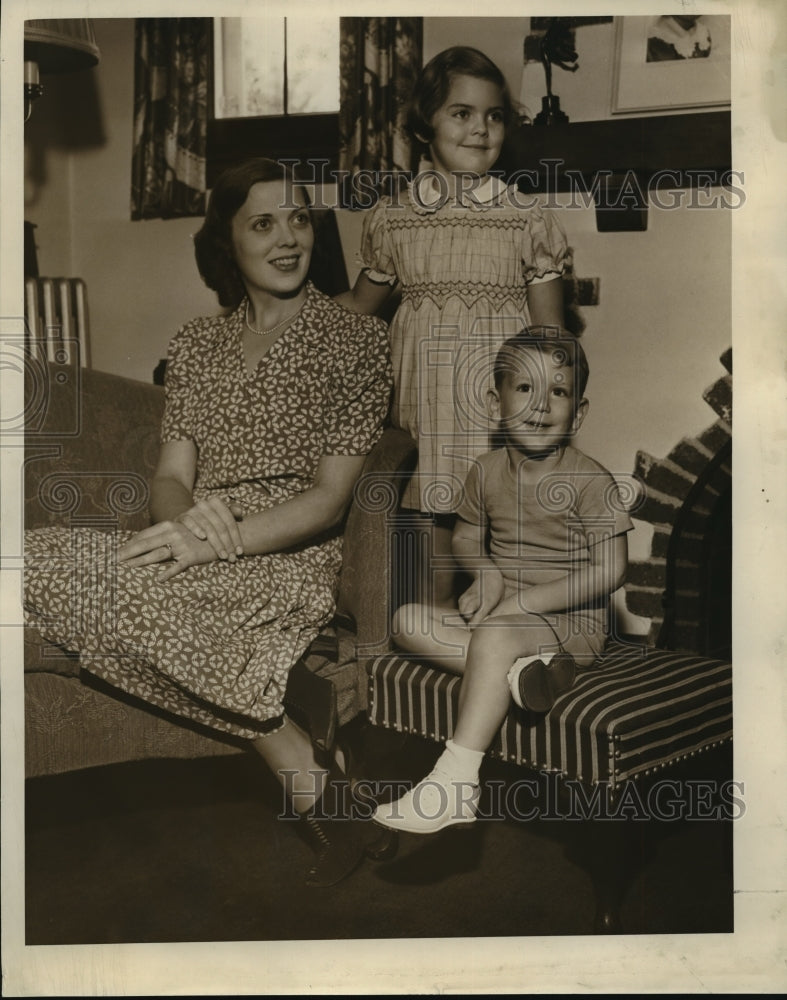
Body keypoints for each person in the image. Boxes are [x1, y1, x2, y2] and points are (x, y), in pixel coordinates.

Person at [24, 158, 393, 886]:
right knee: (28, 558)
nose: (287, 237)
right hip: (195, 536)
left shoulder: (356, 340)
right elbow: (170, 477)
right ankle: (288, 744)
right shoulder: (196, 343)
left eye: (299, 218)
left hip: (286, 553)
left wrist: (222, 542)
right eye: (262, 223)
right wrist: (187, 531)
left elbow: (328, 499)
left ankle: (303, 768)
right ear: (229, 240)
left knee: (113, 591)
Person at [372, 328, 633, 834]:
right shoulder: (486, 470)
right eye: (525, 387)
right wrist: (487, 574)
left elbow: (611, 570)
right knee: (406, 620)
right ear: (496, 402)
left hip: (568, 625)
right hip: (504, 618)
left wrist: (525, 603)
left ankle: (454, 783)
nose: (541, 404)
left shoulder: (590, 480)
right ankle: (524, 673)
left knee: (493, 636)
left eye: (559, 391)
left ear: (578, 413)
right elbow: (466, 538)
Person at [336, 46, 569, 606]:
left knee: (506, 537)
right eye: (461, 113)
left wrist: (548, 404)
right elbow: (359, 306)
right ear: (425, 126)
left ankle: (511, 637)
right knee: (432, 541)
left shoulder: (526, 216)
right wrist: (285, 316)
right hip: (428, 403)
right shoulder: (393, 217)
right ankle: (432, 640)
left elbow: (552, 335)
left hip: (500, 405)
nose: (481, 129)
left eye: (494, 116)